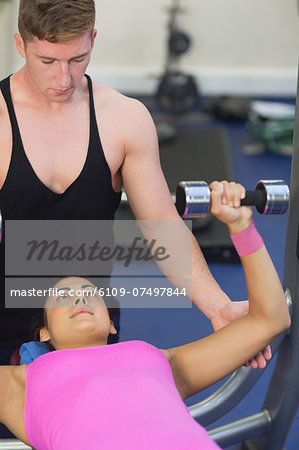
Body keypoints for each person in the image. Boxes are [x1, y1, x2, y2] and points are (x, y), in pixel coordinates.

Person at [0, 0, 270, 369]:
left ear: (93, 40)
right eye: (48, 61)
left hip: (93, 327)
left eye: (77, 59)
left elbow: (161, 224)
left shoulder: (125, 119)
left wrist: (218, 305)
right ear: (21, 45)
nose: (63, 79)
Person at [0, 182, 290, 449]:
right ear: (44, 333)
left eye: (91, 294)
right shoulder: (20, 384)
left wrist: (242, 226)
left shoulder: (163, 361)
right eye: (63, 297)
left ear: (112, 324)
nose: (79, 297)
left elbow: (269, 320)